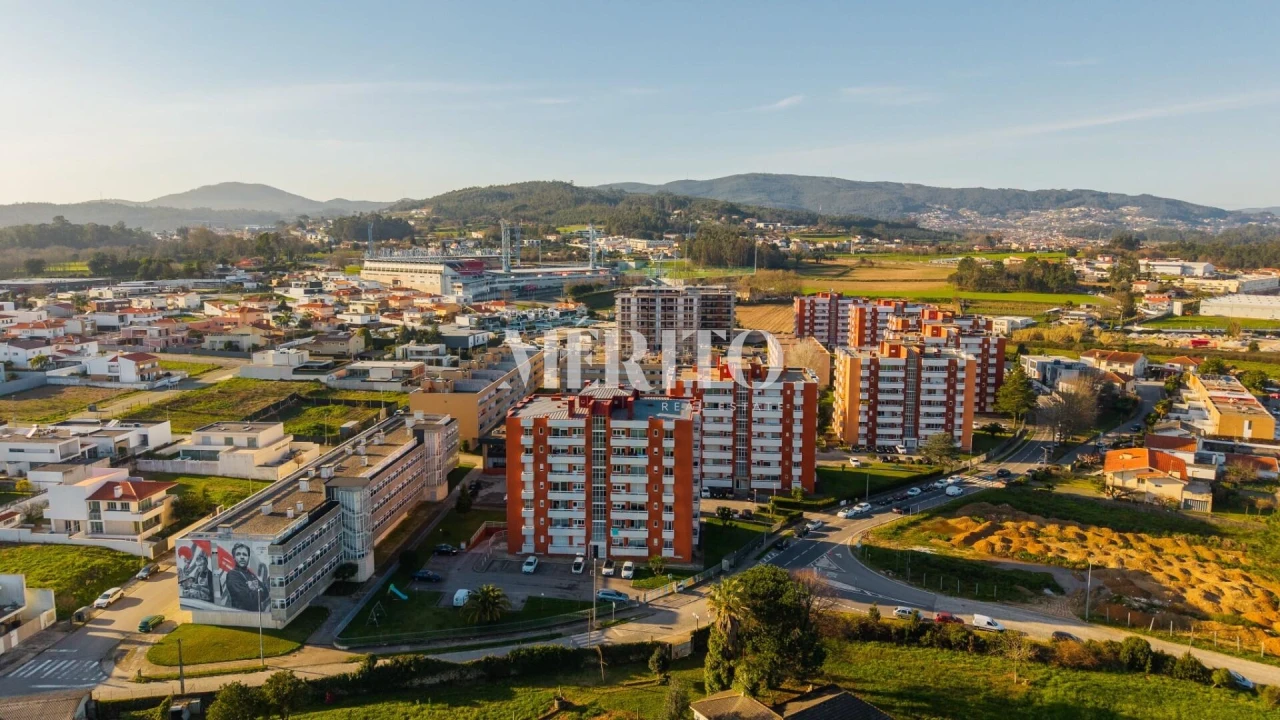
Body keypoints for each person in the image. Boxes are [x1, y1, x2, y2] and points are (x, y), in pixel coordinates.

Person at [224, 542, 267, 611]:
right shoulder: (232, 575)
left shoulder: (251, 574)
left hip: (256, 615)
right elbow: (248, 600)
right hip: (242, 616)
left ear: (248, 557)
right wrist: (259, 590)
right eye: (238, 554)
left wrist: (254, 592)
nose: (242, 557)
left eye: (245, 554)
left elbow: (266, 592)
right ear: (234, 557)